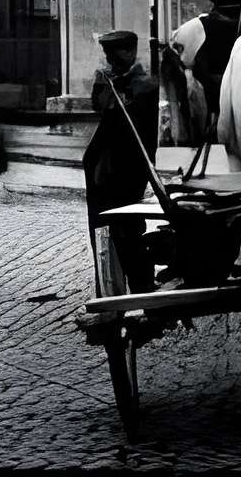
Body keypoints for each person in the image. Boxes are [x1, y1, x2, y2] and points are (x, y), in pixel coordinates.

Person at [84, 29, 161, 294]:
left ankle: (142, 289)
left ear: (129, 52)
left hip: (127, 174)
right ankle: (108, 291)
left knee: (128, 234)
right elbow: (99, 106)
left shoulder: (146, 87)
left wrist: (116, 88)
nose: (109, 61)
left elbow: (139, 131)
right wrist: (105, 85)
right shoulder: (108, 83)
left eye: (114, 55)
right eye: (107, 56)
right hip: (102, 174)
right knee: (103, 235)